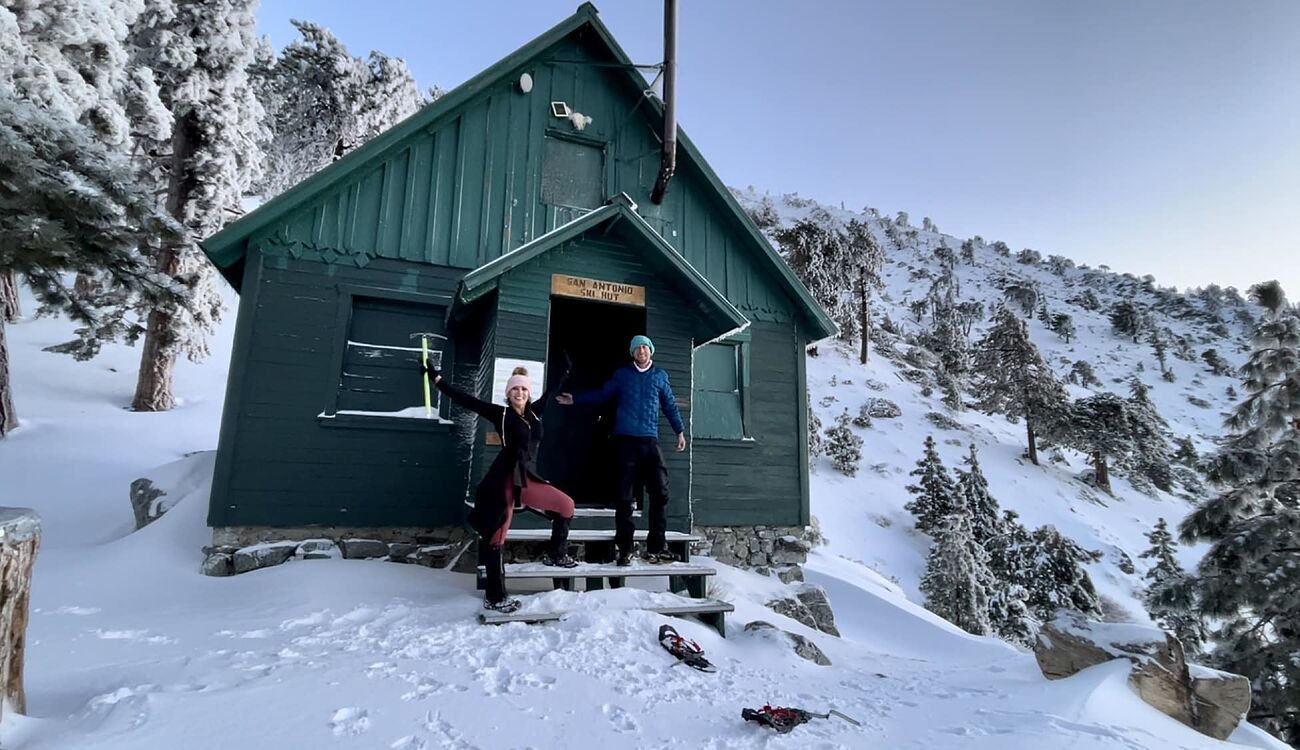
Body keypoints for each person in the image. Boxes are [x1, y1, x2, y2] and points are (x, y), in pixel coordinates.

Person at [425, 362, 577, 613]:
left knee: (566, 505)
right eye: (515, 390)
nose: (519, 394)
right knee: (498, 532)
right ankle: (495, 596)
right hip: (504, 477)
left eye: (524, 390)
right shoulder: (501, 414)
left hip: (525, 476)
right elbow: (466, 400)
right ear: (508, 394)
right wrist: (438, 380)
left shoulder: (535, 413)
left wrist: (564, 371)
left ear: (528, 394)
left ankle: (556, 554)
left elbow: (550, 392)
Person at [557, 335, 685, 566]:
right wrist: (575, 399)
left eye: (645, 348)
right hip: (625, 442)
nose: (642, 352)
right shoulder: (622, 375)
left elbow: (670, 405)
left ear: (651, 351)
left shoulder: (659, 376)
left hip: (649, 442)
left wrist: (680, 431)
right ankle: (625, 549)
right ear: (633, 353)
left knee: (660, 492)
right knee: (624, 497)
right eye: (637, 349)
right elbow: (603, 394)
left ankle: (656, 547)